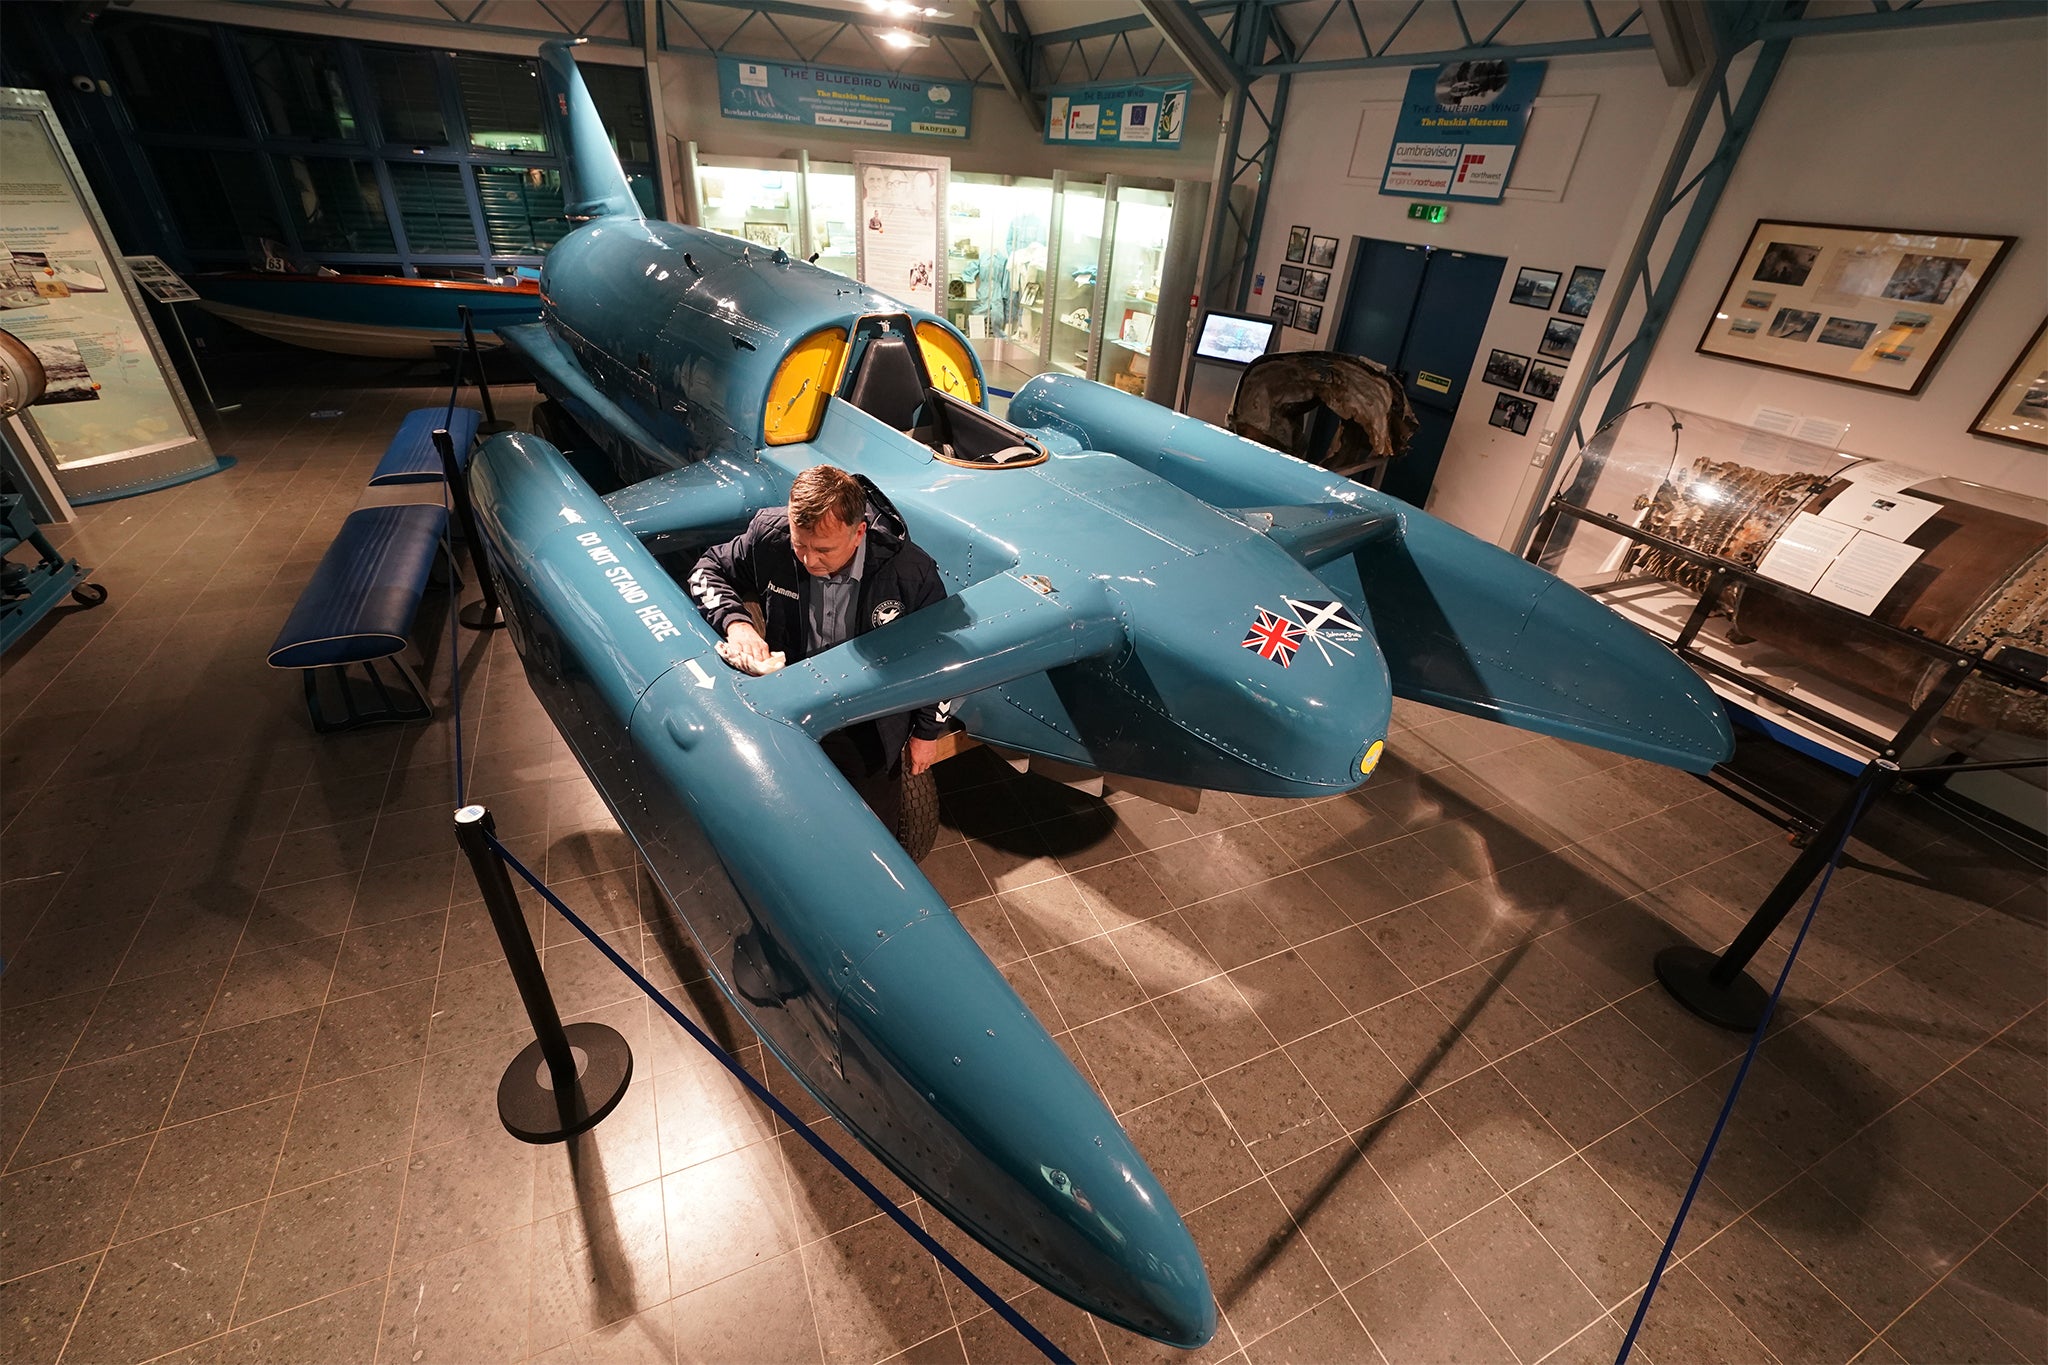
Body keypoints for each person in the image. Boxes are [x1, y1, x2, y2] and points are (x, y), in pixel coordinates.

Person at [687, 464, 948, 834]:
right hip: (789, 705)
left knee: (873, 829)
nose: (809, 560)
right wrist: (737, 624)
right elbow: (706, 569)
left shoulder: (911, 572)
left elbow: (937, 654)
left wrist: (926, 732)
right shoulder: (769, 535)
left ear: (859, 533)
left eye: (824, 549)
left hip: (868, 719)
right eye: (800, 544)